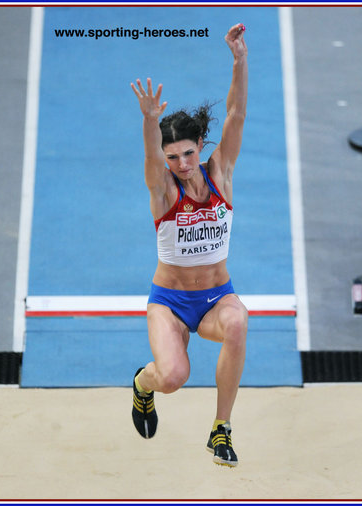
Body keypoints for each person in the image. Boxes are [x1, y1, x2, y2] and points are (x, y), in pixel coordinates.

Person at [130, 23, 248, 467]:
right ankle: (143, 385)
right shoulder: (163, 190)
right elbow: (148, 158)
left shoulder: (221, 175)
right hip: (171, 301)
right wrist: (148, 120)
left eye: (188, 153)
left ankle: (221, 428)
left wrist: (239, 60)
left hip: (217, 296)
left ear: (201, 145)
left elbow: (235, 115)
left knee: (238, 323)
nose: (181, 164)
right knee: (174, 376)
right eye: (172, 156)